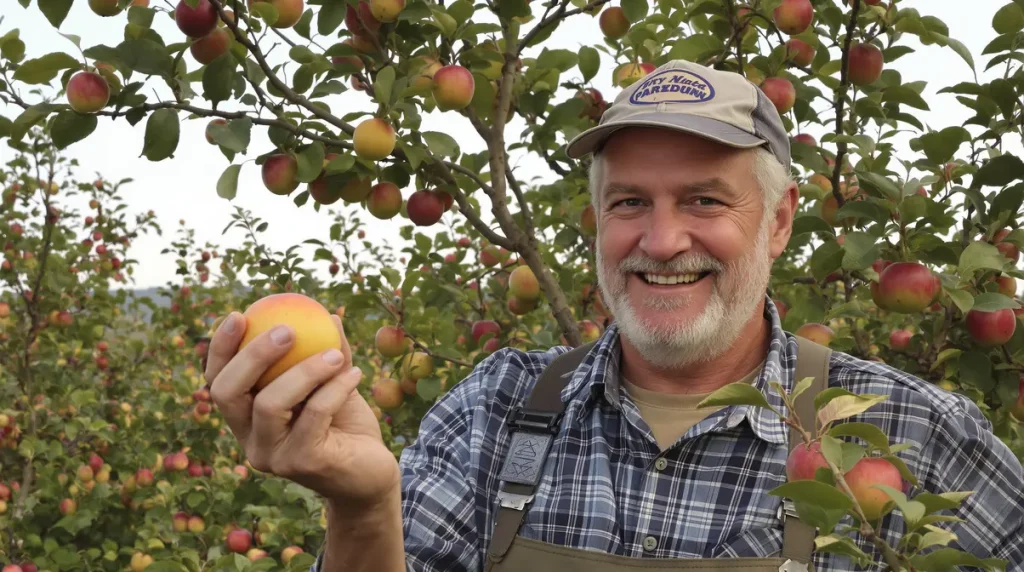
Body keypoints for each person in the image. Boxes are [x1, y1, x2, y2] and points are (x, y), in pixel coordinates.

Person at [205, 59, 1024, 571]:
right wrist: (360, 504)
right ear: (598, 220)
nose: (662, 240)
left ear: (778, 222)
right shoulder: (498, 411)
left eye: (704, 200)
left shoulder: (910, 433)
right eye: (630, 201)